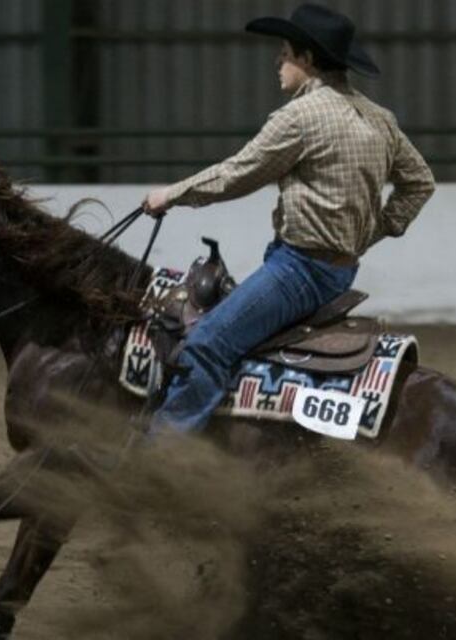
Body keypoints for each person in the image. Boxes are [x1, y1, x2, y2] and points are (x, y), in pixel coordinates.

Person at [142, 3, 436, 435]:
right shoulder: (381, 120)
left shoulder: (300, 118)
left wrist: (171, 194)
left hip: (298, 272)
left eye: (284, 53)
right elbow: (420, 182)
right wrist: (372, 231)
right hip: (338, 272)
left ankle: (159, 461)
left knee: (206, 345)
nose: (277, 62)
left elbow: (236, 174)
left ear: (308, 59)